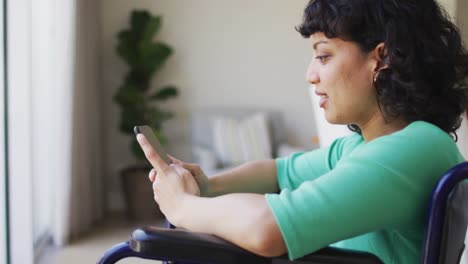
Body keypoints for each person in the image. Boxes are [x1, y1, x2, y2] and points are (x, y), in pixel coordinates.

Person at [135, 0, 468, 263]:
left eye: (323, 56)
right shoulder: (364, 146)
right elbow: (279, 172)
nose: (310, 75)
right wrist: (208, 185)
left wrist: (182, 206)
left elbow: (267, 230)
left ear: (381, 59)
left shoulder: (410, 150)